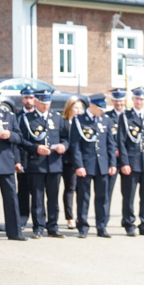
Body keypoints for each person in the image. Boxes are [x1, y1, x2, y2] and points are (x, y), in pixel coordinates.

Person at [21, 90, 68, 238]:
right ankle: (38, 227)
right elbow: (22, 141)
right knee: (37, 197)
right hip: (36, 164)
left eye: (47, 102)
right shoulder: (27, 119)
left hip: (54, 163)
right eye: (42, 102)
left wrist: (64, 146)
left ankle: (53, 226)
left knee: (53, 198)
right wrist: (36, 148)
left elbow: (65, 137)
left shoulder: (57, 117)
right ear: (36, 102)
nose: (45, 106)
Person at [70, 93, 116, 238]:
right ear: (92, 105)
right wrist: (79, 165)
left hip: (102, 165)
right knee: (83, 197)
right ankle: (83, 227)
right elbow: (75, 145)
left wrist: (112, 163)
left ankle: (101, 227)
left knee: (103, 197)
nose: (102, 110)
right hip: (86, 165)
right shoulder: (79, 120)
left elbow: (110, 144)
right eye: (100, 107)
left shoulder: (105, 120)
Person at [118, 86, 144, 236]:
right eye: (137, 98)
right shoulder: (125, 117)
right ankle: (129, 223)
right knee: (129, 195)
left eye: (142, 99)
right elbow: (121, 142)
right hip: (132, 163)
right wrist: (124, 162)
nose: (139, 101)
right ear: (133, 99)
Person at [0, 92, 26, 240]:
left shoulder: (9, 116)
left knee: (11, 199)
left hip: (6, 163)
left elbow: (19, 138)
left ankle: (14, 232)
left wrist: (9, 135)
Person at [61, 97, 84, 229]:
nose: (78, 111)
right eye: (76, 108)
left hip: (81, 162)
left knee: (81, 190)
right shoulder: (64, 123)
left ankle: (81, 217)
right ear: (69, 109)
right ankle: (70, 217)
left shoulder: (83, 122)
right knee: (70, 188)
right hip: (68, 161)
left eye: (80, 108)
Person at [15, 87, 36, 229]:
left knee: (38, 192)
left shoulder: (38, 115)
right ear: (22, 99)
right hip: (23, 158)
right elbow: (16, 142)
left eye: (31, 97)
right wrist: (17, 160)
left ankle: (39, 220)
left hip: (38, 158)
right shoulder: (16, 116)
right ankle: (22, 218)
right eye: (26, 98)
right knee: (23, 190)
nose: (28, 100)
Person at [105, 88, 126, 209]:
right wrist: (113, 151)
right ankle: (104, 220)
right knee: (107, 192)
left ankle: (127, 221)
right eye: (116, 101)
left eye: (121, 101)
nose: (119, 103)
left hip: (126, 160)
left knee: (127, 193)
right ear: (113, 101)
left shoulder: (129, 116)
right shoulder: (107, 116)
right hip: (110, 159)